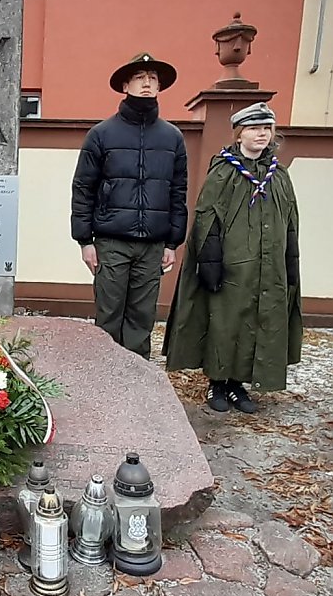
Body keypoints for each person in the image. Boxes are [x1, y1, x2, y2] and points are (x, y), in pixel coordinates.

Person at [163, 102, 302, 413]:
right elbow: (206, 219)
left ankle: (238, 384)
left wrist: (290, 262)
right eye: (254, 128)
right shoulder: (224, 172)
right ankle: (217, 382)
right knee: (226, 323)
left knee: (256, 322)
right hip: (231, 268)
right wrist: (210, 263)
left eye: (266, 128)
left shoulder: (278, 175)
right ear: (239, 134)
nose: (261, 134)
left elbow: (291, 222)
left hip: (269, 268)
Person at [71, 53, 188, 359]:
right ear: (125, 86)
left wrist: (172, 243)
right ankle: (106, 374)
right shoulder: (101, 134)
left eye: (152, 78)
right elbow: (83, 188)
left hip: (153, 245)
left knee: (142, 317)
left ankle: (137, 376)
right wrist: (85, 241)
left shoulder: (172, 138)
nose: (146, 83)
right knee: (109, 314)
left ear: (159, 86)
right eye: (139, 77)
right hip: (112, 242)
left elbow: (178, 191)